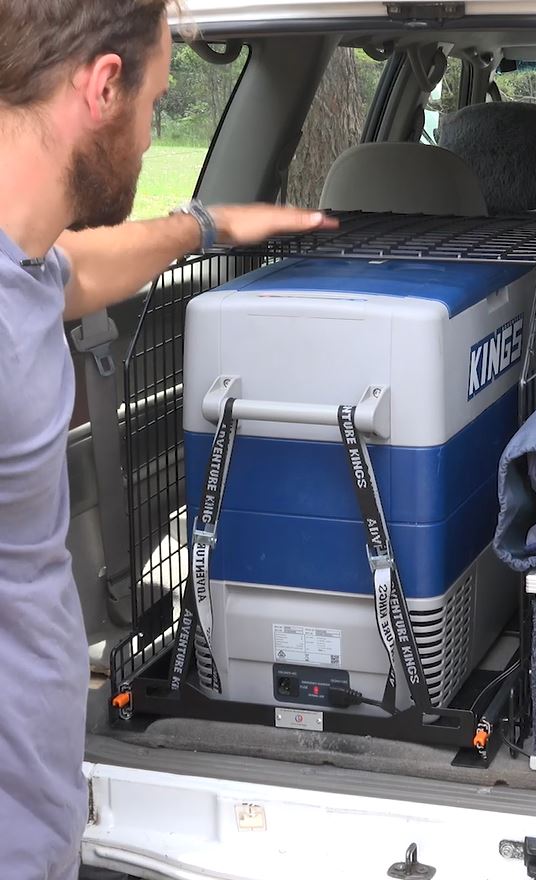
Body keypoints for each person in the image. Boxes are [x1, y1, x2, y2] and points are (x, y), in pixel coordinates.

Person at [0, 2, 337, 877]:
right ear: (103, 86)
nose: (151, 135)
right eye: (154, 104)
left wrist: (211, 226)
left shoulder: (24, 263)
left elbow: (76, 272)